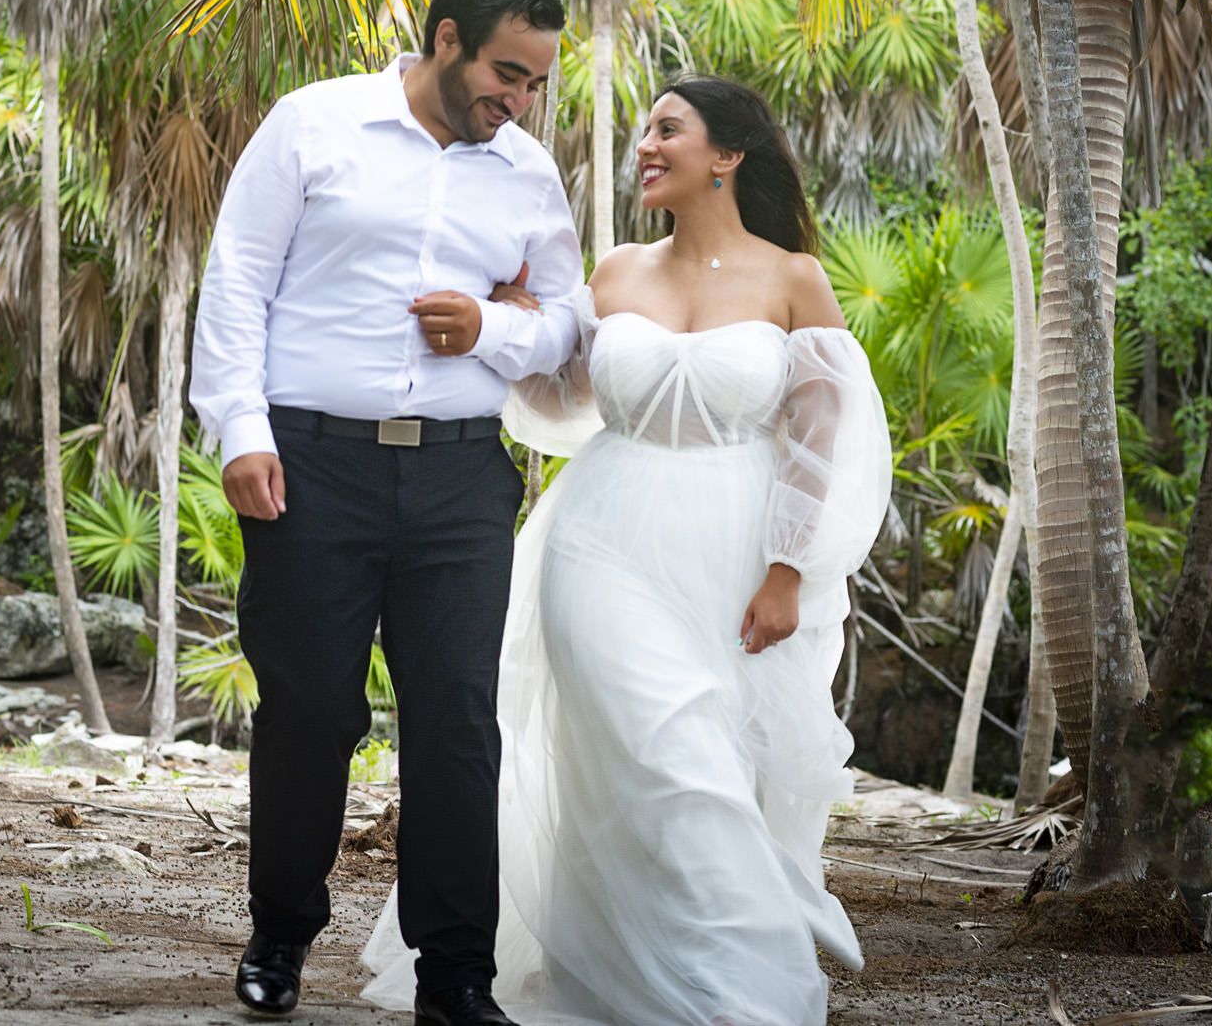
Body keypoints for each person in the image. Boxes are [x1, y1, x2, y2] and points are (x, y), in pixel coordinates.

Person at [362, 76, 891, 1026]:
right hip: (603, 538)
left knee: (704, 769)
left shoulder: (792, 277)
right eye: (644, 129)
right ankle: (707, 985)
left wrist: (790, 570)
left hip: (732, 546)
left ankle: (685, 981)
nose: (645, 144)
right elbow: (567, 404)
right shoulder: (614, 272)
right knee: (658, 749)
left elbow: (826, 440)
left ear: (727, 156)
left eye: (668, 130)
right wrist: (508, 325)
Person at [191, 0, 586, 1026]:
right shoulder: (313, 124)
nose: (518, 99)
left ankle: (455, 975)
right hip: (310, 467)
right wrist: (238, 428)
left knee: (457, 722)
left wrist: (491, 329)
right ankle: (279, 931)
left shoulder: (526, 171)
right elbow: (235, 280)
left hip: (461, 474)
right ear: (446, 39)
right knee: (311, 711)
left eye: (536, 82)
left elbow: (566, 317)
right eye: (507, 72)